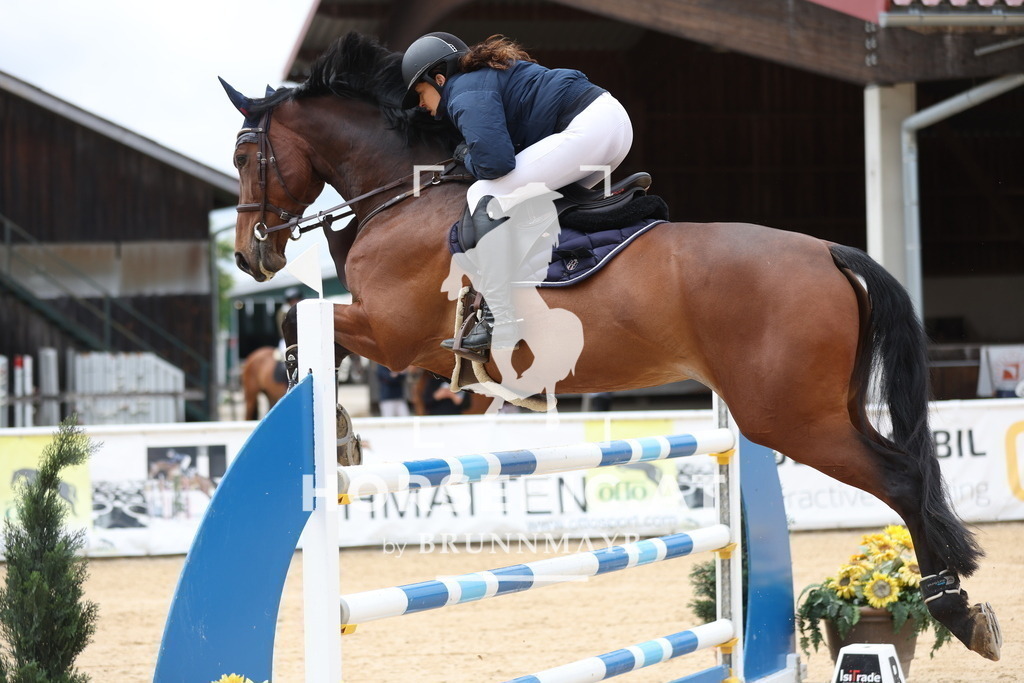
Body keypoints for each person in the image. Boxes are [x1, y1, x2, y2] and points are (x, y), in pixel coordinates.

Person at [401, 32, 633, 352]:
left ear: (439, 78)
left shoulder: (463, 91)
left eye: (420, 93)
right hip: (612, 127)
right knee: (530, 207)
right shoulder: (480, 81)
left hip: (588, 127)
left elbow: (495, 164)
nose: (422, 105)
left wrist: (465, 156)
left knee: (484, 194)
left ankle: (502, 319)